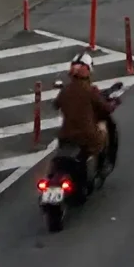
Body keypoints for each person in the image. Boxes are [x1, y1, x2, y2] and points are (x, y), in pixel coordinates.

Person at [53, 54, 115, 198]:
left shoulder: (65, 90)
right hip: (87, 137)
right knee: (103, 129)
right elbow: (104, 108)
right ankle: (101, 166)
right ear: (88, 70)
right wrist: (113, 104)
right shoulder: (90, 91)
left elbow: (56, 105)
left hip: (66, 136)